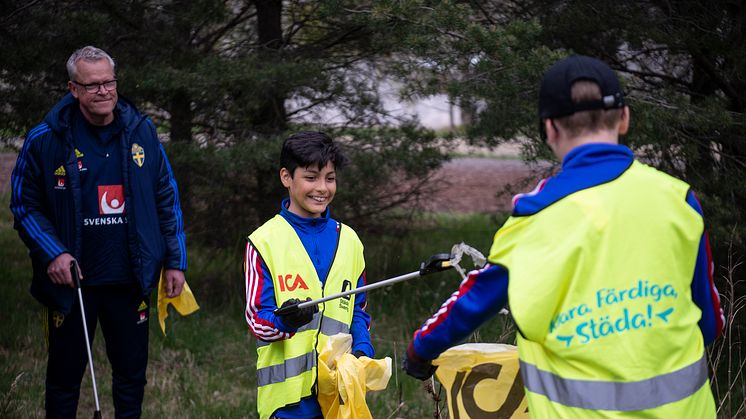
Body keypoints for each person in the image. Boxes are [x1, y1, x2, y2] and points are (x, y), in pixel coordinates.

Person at [402, 55, 724, 417]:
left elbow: (472, 303)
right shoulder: (679, 199)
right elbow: (710, 323)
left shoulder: (535, 218)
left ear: (549, 129)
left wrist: (420, 350)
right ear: (626, 118)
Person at [10, 45, 187, 418]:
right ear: (74, 89)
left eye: (109, 82)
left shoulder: (142, 131)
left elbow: (166, 197)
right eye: (93, 85)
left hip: (130, 278)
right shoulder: (46, 138)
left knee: (131, 377)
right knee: (64, 378)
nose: (104, 91)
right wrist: (54, 252)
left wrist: (175, 261)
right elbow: (24, 206)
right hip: (72, 284)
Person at [244, 131, 374, 419]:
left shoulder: (350, 240)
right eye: (311, 177)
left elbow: (358, 310)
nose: (322, 188)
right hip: (288, 404)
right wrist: (284, 321)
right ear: (286, 177)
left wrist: (362, 348)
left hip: (338, 395)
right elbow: (256, 319)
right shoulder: (263, 241)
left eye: (330, 178)